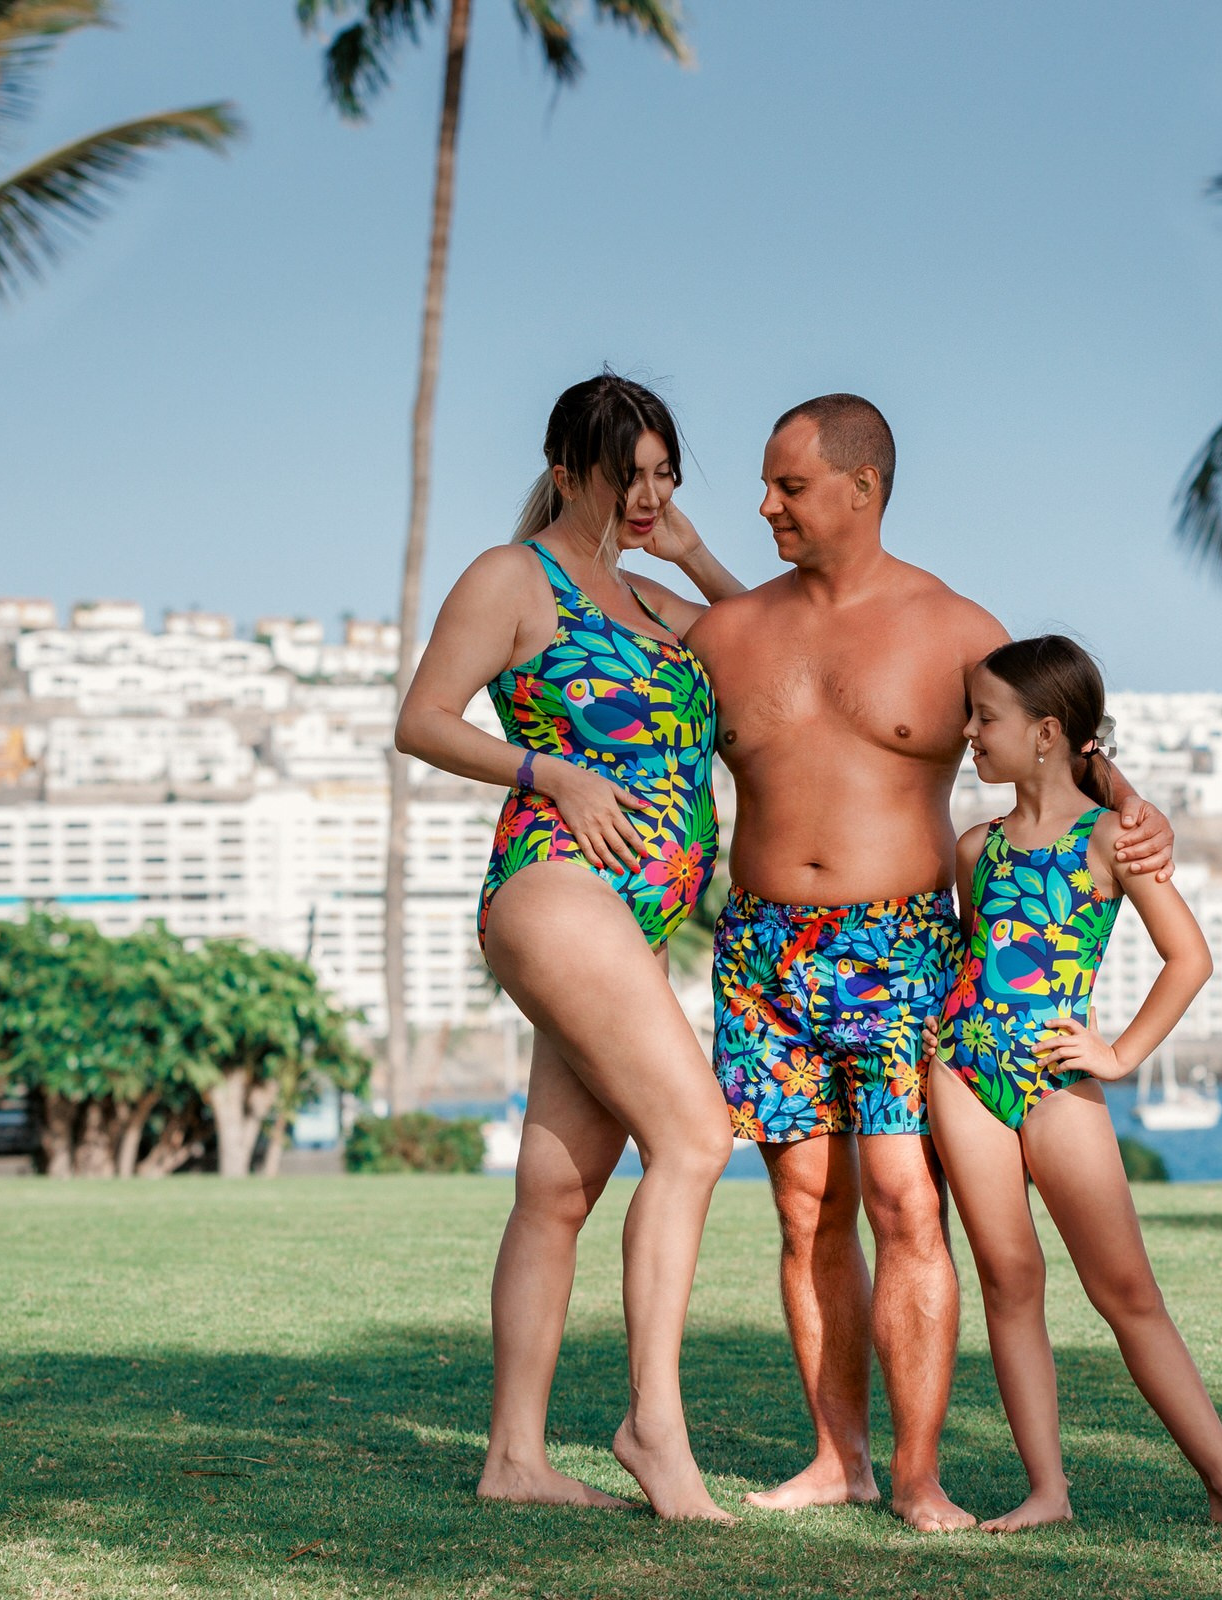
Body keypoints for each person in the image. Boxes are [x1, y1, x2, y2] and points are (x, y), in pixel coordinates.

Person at [682, 396, 1175, 1530]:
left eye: (789, 487)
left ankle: (917, 1476)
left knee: (908, 1203)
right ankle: (835, 1458)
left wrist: (1135, 805)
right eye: (764, 486)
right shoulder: (732, 630)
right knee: (806, 1209)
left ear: (862, 488)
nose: (765, 505)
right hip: (760, 948)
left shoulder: (957, 628)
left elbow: (1053, 735)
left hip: (900, 941)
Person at [396, 373, 744, 1522]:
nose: (644, 495)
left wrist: (693, 558)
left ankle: (514, 1457)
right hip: (556, 888)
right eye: (624, 475)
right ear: (565, 467)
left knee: (556, 1188)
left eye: (662, 474)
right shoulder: (516, 578)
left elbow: (770, 659)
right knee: (695, 1131)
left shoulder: (652, 599)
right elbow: (424, 716)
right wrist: (550, 768)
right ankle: (654, 1423)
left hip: (631, 920)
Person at [930, 635, 1222, 1535]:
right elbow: (972, 955)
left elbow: (1189, 958)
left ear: (1047, 732)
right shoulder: (973, 846)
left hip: (1059, 1078)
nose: (969, 733)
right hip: (961, 1072)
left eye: (985, 718)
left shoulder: (1111, 838)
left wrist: (1121, 1055)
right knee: (1008, 1278)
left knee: (1127, 1293)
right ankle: (1047, 1492)